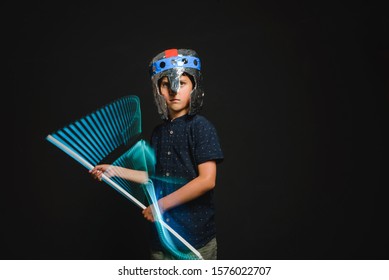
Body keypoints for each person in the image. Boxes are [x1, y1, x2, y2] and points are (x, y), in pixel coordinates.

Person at [91, 48, 223, 260]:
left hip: (194, 241)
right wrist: (114, 170)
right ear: (158, 90)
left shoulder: (200, 127)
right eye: (166, 84)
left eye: (181, 83)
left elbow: (207, 180)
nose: (173, 90)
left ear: (194, 87)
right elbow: (153, 178)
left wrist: (160, 206)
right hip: (161, 241)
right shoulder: (159, 133)